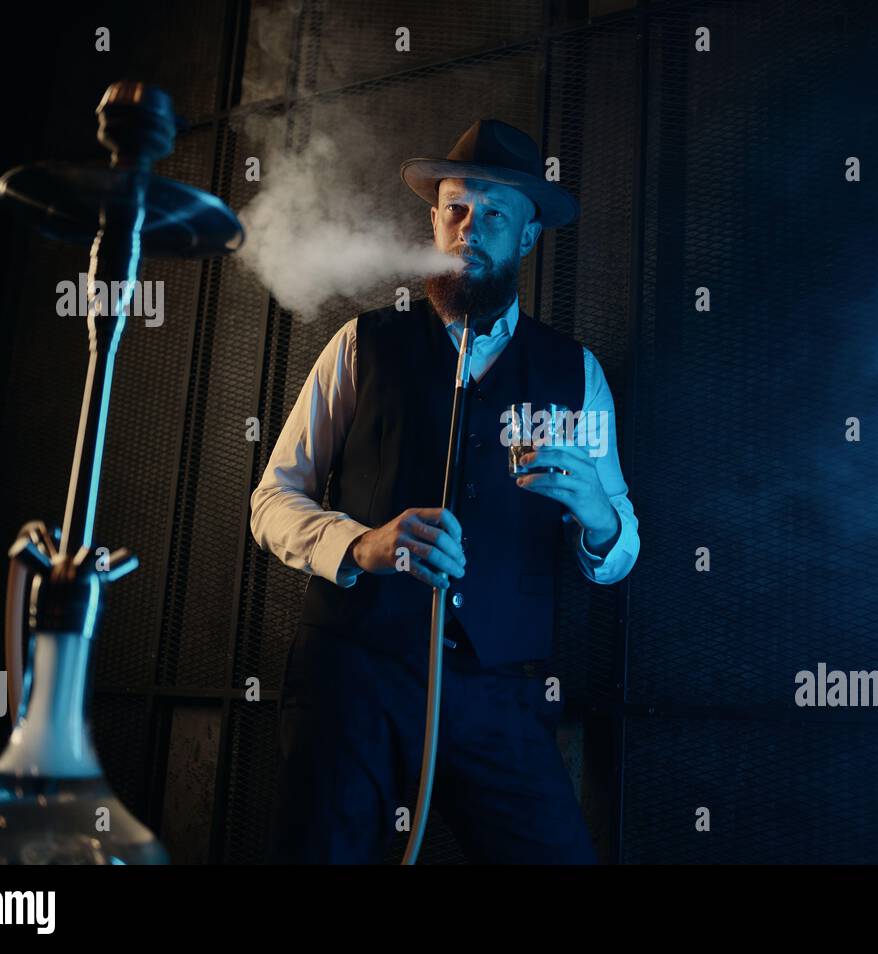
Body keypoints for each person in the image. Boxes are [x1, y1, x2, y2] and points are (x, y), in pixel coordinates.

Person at [250, 119, 640, 863]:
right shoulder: (362, 345)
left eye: (495, 213)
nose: (470, 227)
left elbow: (619, 544)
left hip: (495, 689)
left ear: (527, 239)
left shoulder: (575, 372)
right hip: (354, 674)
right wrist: (360, 545)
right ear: (433, 219)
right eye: (456, 207)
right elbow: (272, 498)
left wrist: (596, 515)